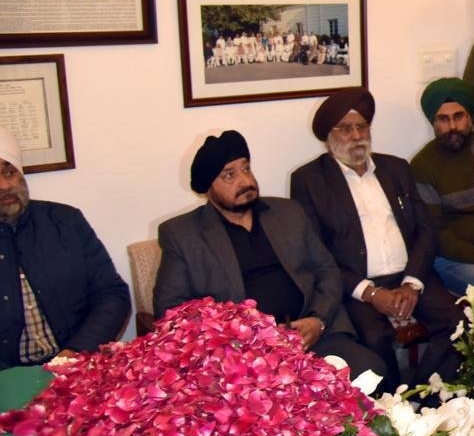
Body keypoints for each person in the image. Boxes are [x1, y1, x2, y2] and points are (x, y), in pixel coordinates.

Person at [155, 130, 388, 384]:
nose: (244, 180)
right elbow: (170, 310)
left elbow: (327, 270)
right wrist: (240, 337)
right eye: (229, 175)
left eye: (246, 169)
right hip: (244, 356)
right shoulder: (183, 235)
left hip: (315, 336)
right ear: (207, 189)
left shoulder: (287, 212)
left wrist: (318, 320)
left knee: (371, 372)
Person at [289, 89, 463, 391]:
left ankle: (425, 397)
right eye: (345, 128)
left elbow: (425, 230)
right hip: (358, 285)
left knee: (459, 323)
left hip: (410, 277)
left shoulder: (395, 168)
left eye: (362, 126)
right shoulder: (309, 180)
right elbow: (318, 254)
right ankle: (390, 409)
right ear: (328, 137)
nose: (356, 135)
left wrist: (412, 283)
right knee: (372, 339)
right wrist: (370, 293)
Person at [0, 126, 129, 368]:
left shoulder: (65, 221)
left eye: (10, 171)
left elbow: (111, 294)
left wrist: (76, 351)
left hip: (77, 361)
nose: (5, 185)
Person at [410, 77, 474, 296]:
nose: (453, 127)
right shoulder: (423, 165)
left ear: (470, 115)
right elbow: (434, 233)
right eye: (443, 119)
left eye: (459, 116)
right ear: (433, 122)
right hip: (451, 258)